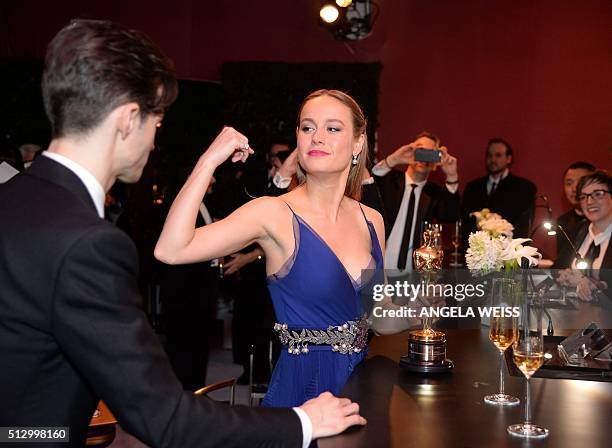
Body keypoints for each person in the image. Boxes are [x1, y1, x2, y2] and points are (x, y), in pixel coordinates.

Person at [0, 19, 365, 447]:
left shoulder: (13, 200)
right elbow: (164, 417)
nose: (156, 140)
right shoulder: (89, 243)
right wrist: (301, 422)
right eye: (156, 121)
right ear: (127, 119)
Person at [155, 89, 386, 407]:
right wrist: (209, 160)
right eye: (307, 128)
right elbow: (170, 250)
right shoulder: (273, 213)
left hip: (361, 388)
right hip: (304, 391)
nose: (316, 137)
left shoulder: (372, 219)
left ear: (358, 143)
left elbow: (381, 313)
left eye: (332, 128)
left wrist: (433, 308)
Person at [370, 131, 460, 272]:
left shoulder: (434, 193)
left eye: (429, 153)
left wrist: (452, 176)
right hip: (377, 269)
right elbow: (368, 183)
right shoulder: (389, 180)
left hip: (414, 275)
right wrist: (393, 159)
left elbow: (450, 215)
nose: (423, 157)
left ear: (435, 162)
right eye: (419, 150)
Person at [461, 138, 536, 241]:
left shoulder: (525, 188)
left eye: (498, 155)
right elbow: (465, 222)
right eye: (489, 155)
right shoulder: (472, 187)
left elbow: (523, 227)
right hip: (477, 249)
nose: (493, 160)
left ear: (509, 158)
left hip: (509, 250)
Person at [554, 162, 596, 267]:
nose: (574, 189)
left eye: (581, 182)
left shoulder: (602, 221)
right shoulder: (562, 221)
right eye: (569, 183)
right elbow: (562, 263)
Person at [572, 170, 611, 271]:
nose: (589, 202)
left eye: (598, 194)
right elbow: (559, 266)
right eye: (583, 197)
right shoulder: (578, 230)